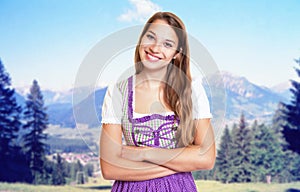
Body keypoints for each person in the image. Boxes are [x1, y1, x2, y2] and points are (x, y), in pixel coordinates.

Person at [100, 11, 215, 191]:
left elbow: (206, 158)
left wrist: (144, 153)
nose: (155, 48)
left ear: (177, 53)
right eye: (150, 37)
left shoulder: (191, 90)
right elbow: (109, 168)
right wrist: (180, 163)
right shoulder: (118, 91)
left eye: (167, 44)